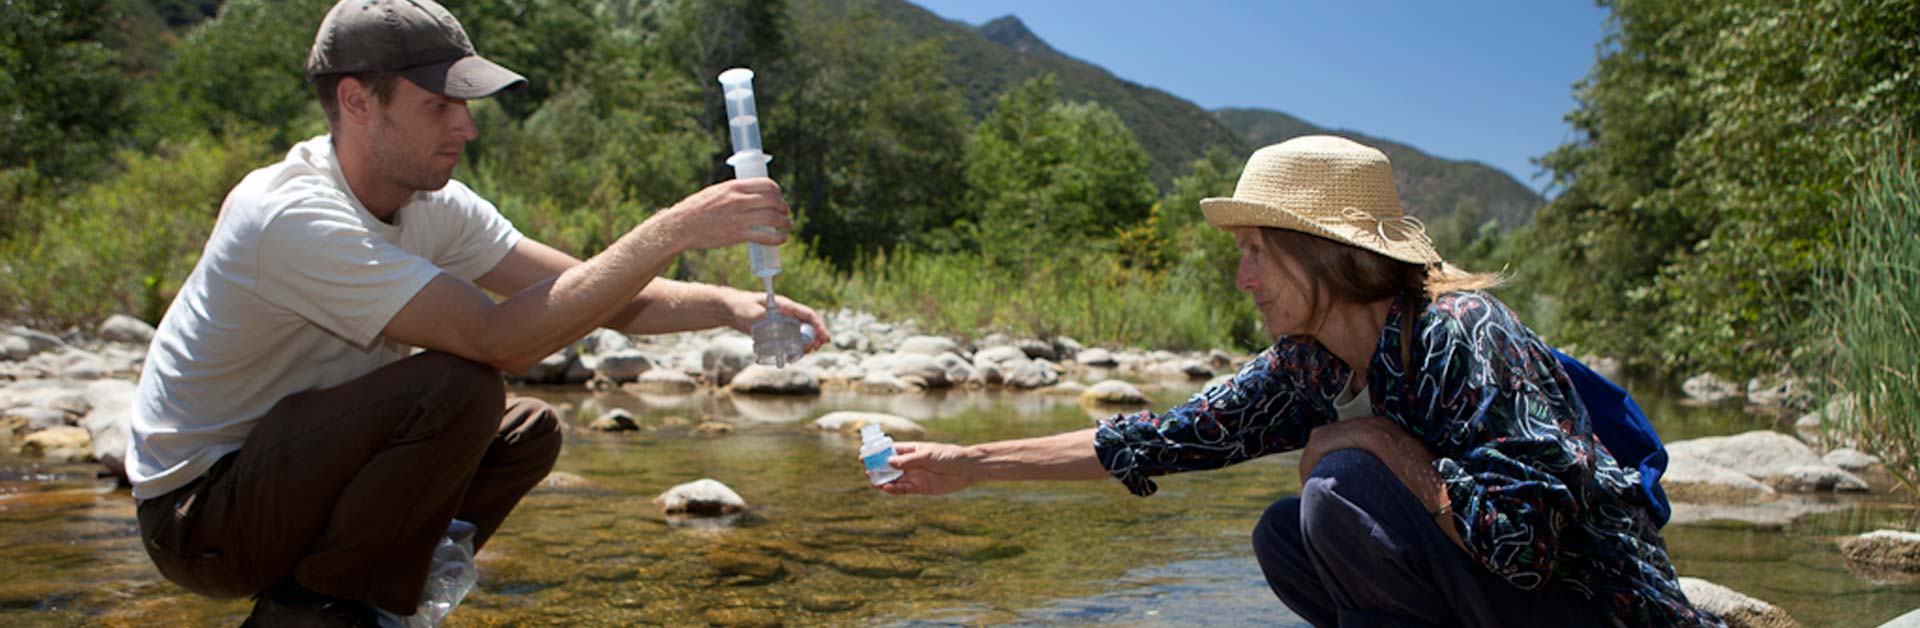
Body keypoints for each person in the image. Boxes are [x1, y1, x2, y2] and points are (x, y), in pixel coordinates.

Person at [126, 1, 827, 625]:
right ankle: (317, 612)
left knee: (527, 432)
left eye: (466, 102)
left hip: (289, 480)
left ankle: (371, 602)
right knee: (456, 389)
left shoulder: (434, 204)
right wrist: (673, 227)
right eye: (440, 103)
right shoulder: (291, 216)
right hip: (200, 519)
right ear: (357, 100)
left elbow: (607, 293)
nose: (466, 126)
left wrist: (730, 306)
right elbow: (498, 341)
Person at [881, 135, 1724, 627]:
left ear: (1325, 251)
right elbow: (1158, 440)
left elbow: (1527, 546)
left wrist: (1381, 443)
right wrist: (967, 463)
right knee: (1285, 534)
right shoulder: (1310, 361)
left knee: (1342, 488)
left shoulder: (1464, 335)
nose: (1242, 279)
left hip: (1603, 613)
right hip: (1510, 603)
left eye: (1256, 252)